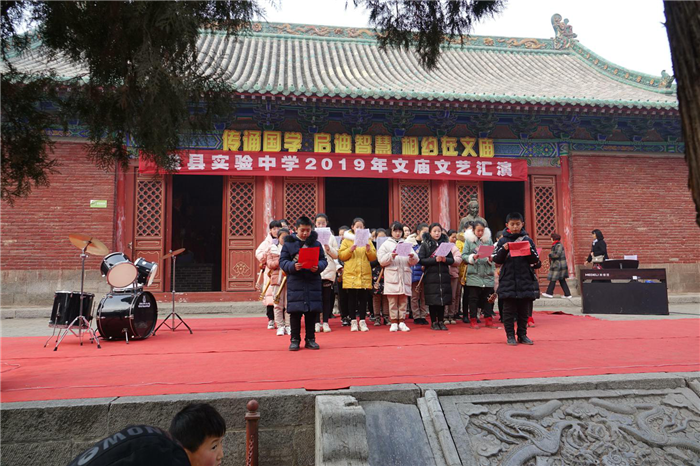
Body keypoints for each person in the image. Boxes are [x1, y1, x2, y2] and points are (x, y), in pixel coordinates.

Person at [279, 216, 327, 351]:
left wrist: (318, 267)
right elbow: (282, 261)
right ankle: (294, 340)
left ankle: (310, 339)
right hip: (296, 282)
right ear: (296, 229)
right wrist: (293, 266)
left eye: (308, 230)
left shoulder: (316, 244)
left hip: (312, 281)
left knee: (311, 313)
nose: (305, 233)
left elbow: (323, 260)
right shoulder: (288, 244)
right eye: (302, 230)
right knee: (295, 313)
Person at [493, 212, 540, 346]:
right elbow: (496, 260)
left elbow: (535, 260)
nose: (515, 227)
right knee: (508, 311)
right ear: (507, 225)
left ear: (522, 224)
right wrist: (504, 250)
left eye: (517, 224)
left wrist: (528, 250)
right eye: (512, 224)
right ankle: (510, 335)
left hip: (525, 279)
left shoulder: (528, 240)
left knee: (523, 311)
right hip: (508, 279)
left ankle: (522, 335)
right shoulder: (502, 241)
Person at [377, 221, 419, 332]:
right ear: (391, 232)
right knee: (392, 302)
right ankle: (394, 322)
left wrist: (412, 256)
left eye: (400, 231)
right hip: (392, 276)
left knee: (403, 302)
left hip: (404, 276)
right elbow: (381, 260)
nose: (398, 233)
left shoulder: (406, 244)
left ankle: (402, 322)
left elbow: (415, 261)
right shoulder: (386, 244)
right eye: (395, 231)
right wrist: (391, 255)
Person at [338, 217, 377, 332]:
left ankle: (363, 321)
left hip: (364, 273)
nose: (359, 229)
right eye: (357, 227)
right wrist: (351, 249)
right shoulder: (346, 240)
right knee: (351, 298)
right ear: (352, 227)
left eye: (361, 227)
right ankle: (353, 321)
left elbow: (373, 257)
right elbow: (342, 256)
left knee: (363, 298)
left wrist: (369, 250)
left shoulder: (368, 240)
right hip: (351, 273)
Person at [462, 221, 498, 329]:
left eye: (482, 230)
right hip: (474, 272)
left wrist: (491, 258)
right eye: (478, 230)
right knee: (473, 298)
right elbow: (464, 255)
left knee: (489, 298)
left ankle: (488, 319)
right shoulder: (469, 241)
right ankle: (473, 319)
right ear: (473, 230)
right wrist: (472, 257)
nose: (480, 233)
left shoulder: (488, 240)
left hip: (487, 273)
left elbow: (494, 253)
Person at [419, 223, 454, 331]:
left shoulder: (445, 244)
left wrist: (445, 260)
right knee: (433, 301)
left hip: (443, 276)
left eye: (439, 231)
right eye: (434, 231)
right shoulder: (425, 245)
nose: (437, 233)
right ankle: (434, 321)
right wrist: (435, 260)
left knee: (442, 301)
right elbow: (421, 260)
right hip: (431, 277)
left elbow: (451, 260)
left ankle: (441, 321)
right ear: (430, 232)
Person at [255, 220, 282, 329]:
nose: (276, 231)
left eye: (278, 228)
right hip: (270, 272)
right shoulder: (266, 242)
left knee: (281, 295)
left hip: (281, 271)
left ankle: (281, 320)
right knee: (270, 295)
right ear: (270, 230)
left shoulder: (284, 239)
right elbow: (259, 254)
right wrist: (268, 250)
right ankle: (271, 319)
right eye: (274, 229)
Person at [315, 213, 338, 333]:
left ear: (326, 224)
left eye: (323, 223)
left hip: (328, 270)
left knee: (326, 298)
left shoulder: (331, 237)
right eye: (319, 223)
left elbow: (336, 255)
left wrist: (328, 248)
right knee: (315, 298)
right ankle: (316, 322)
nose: (321, 225)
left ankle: (325, 322)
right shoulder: (311, 235)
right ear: (315, 224)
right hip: (314, 270)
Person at [266, 228, 291, 336]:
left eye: (286, 237)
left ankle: (288, 325)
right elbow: (269, 264)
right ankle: (280, 326)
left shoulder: (292, 249)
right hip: (277, 279)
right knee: (277, 304)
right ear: (278, 238)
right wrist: (280, 260)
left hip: (289, 279)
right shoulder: (272, 249)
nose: (284, 239)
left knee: (289, 304)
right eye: (282, 237)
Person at [407, 223, 429, 325]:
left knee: (424, 296)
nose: (426, 234)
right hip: (414, 272)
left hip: (425, 272)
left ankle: (423, 316)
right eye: (424, 232)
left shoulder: (428, 243)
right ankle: (416, 316)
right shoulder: (409, 243)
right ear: (418, 232)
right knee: (414, 296)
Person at [542, 232, 572, 299]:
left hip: (558, 265)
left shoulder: (558, 245)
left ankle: (549, 293)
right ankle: (567, 294)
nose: (551, 239)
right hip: (558, 265)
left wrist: (550, 255)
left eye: (551, 238)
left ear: (554, 238)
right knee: (561, 279)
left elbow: (557, 255)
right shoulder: (555, 245)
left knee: (553, 279)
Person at [445, 229, 463, 325]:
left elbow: (458, 260)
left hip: (454, 274)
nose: (454, 239)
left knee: (453, 296)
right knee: (445, 295)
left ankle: (451, 315)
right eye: (452, 237)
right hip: (444, 274)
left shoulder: (455, 248)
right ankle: (444, 315)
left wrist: (448, 260)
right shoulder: (443, 246)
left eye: (455, 237)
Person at [337, 225, 351, 326]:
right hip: (340, 273)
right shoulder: (337, 245)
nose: (342, 236)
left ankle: (351, 315)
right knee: (342, 296)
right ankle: (344, 316)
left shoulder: (352, 245)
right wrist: (339, 267)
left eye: (344, 234)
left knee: (351, 296)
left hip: (351, 273)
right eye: (340, 234)